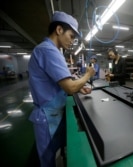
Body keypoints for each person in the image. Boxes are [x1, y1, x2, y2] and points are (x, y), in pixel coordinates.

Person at [28, 11, 95, 167]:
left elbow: (62, 83)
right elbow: (69, 87)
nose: (72, 41)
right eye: (71, 36)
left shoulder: (49, 50)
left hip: (53, 114)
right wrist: (87, 76)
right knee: (47, 162)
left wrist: (79, 87)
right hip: (47, 117)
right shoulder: (48, 50)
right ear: (59, 30)